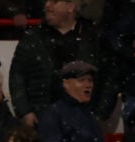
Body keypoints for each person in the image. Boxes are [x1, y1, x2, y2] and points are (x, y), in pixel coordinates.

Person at [8, 0, 118, 128]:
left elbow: (109, 77)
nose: (47, 6)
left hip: (83, 119)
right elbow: (17, 76)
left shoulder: (94, 38)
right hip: (41, 118)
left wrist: (99, 114)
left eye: (54, 1)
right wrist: (24, 112)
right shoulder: (32, 37)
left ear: (70, 6)